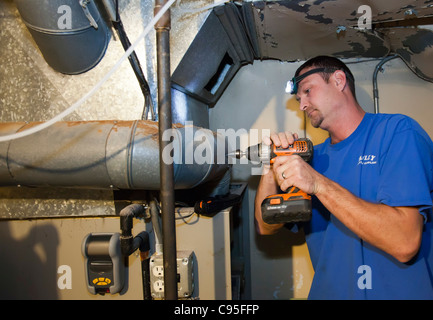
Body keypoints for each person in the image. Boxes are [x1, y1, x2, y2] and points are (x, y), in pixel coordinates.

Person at [254, 56, 433, 299]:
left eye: (307, 91)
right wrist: (270, 166)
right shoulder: (310, 158)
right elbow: (265, 226)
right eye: (298, 100)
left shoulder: (397, 132)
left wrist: (319, 185)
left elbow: (405, 243)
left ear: (338, 80)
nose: (302, 105)